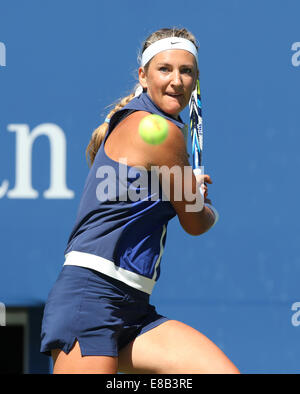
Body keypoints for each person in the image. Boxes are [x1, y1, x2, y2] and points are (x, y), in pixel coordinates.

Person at [40, 27, 240, 374]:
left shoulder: (151, 125)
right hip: (90, 299)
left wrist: (187, 193)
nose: (176, 80)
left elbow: (175, 196)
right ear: (143, 76)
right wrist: (204, 206)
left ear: (196, 80)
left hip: (133, 306)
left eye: (186, 70)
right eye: (165, 69)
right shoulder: (160, 131)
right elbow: (195, 221)